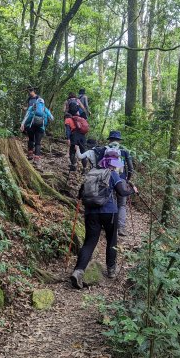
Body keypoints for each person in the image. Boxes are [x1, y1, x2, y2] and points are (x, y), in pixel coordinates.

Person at [70, 155, 136, 289]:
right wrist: (132, 191)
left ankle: (78, 271)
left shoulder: (91, 173)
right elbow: (122, 192)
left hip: (91, 212)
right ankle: (111, 270)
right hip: (109, 212)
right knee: (112, 240)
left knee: (89, 242)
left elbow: (80, 194)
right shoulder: (112, 174)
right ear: (112, 164)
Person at [105, 131, 134, 237]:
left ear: (110, 139)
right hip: (121, 179)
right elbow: (130, 168)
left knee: (110, 201)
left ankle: (110, 227)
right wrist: (127, 179)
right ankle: (120, 228)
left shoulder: (106, 149)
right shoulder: (125, 151)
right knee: (122, 204)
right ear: (119, 140)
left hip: (107, 178)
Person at [20, 97, 54, 166]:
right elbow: (52, 118)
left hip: (31, 126)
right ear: (43, 103)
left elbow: (26, 116)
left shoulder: (32, 107)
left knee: (31, 140)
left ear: (37, 102)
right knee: (38, 143)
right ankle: (36, 159)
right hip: (41, 127)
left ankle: (30, 155)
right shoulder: (45, 109)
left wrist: (22, 124)